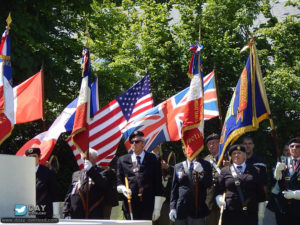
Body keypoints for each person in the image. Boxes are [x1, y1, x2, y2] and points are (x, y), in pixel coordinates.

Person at [117, 131, 165, 221]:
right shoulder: (122, 160)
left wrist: (157, 208)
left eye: (137, 141)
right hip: (130, 205)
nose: (134, 144)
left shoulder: (154, 159)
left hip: (148, 204)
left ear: (143, 143)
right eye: (132, 142)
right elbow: (119, 183)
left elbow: (158, 185)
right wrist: (123, 189)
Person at [215, 144, 266, 225]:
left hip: (250, 213)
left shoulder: (255, 170)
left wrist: (261, 212)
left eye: (239, 153)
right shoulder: (225, 171)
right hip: (230, 213)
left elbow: (260, 193)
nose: (236, 155)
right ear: (231, 156)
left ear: (244, 155)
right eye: (234, 153)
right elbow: (218, 190)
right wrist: (219, 198)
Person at [169, 146, 212, 225]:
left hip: (198, 210)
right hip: (181, 209)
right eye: (184, 149)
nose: (187, 151)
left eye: (190, 148)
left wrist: (202, 172)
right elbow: (174, 189)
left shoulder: (205, 164)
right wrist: (172, 208)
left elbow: (209, 184)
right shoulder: (178, 166)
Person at [63, 148, 109, 219]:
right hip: (76, 214)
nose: (85, 161)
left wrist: (91, 170)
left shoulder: (103, 172)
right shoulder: (76, 174)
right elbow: (70, 194)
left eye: (88, 158)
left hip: (94, 214)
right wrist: (66, 212)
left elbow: (103, 184)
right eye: (83, 158)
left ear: (95, 159)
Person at [271, 137, 300, 225]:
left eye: (298, 146)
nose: (294, 148)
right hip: (282, 205)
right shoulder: (282, 160)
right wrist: (277, 170)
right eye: (292, 146)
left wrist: (295, 194)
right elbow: (277, 178)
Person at [25, 147, 58, 218]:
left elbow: (54, 193)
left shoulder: (48, 172)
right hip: (25, 211)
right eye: (29, 157)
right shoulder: (21, 173)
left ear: (39, 156)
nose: (31, 159)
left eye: (34, 156)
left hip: (43, 212)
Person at [152, 144, 176, 225]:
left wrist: (167, 167)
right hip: (150, 196)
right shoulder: (146, 155)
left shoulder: (168, 154)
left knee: (164, 221)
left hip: (164, 195)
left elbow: (176, 172)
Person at [204, 133, 221, 225]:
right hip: (209, 199)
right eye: (209, 144)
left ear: (219, 143)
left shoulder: (226, 157)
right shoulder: (206, 159)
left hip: (223, 197)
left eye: (214, 143)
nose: (212, 145)